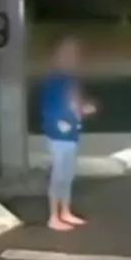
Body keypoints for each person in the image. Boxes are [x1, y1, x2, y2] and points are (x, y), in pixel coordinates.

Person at [39, 37, 97, 231]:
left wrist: (82, 109)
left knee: (67, 174)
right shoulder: (57, 79)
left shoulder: (68, 79)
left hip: (70, 132)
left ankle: (65, 212)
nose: (74, 58)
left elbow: (75, 104)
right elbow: (67, 104)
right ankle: (54, 217)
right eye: (70, 54)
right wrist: (84, 109)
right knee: (59, 175)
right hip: (59, 134)